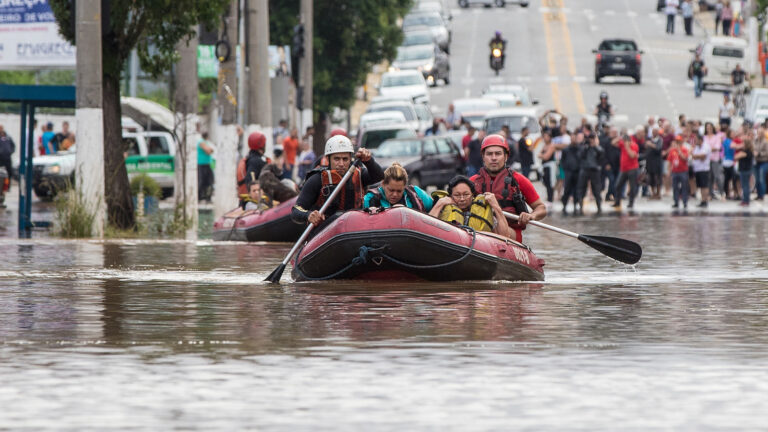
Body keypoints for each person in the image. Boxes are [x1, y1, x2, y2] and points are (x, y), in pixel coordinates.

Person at [292, 135, 384, 230]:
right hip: (326, 230)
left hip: (353, 228)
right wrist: (308, 215)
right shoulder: (317, 179)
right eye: (336, 159)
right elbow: (296, 210)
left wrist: (369, 161)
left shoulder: (359, 175)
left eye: (345, 159)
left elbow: (379, 176)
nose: (341, 164)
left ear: (350, 159)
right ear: (328, 159)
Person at [470, 134, 547, 242]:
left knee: (494, 227)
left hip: (510, 233)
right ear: (483, 156)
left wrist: (531, 216)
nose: (493, 158)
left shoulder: (518, 180)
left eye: (498, 154)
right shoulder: (472, 182)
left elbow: (541, 208)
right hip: (478, 232)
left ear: (506, 156)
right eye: (489, 154)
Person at [430, 175, 511, 237]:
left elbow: (506, 236)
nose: (462, 199)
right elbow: (428, 229)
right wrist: (439, 203)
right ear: (450, 196)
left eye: (466, 194)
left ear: (473, 195)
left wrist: (496, 206)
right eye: (457, 195)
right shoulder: (443, 208)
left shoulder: (483, 210)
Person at [363, 162, 433, 212]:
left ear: (405, 186)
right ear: (383, 184)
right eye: (391, 190)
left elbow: (434, 208)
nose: (395, 195)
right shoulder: (370, 199)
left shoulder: (416, 194)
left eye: (399, 191)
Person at [612, 128, 639, 209]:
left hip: (632, 169)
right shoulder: (623, 144)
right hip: (623, 169)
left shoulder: (634, 145)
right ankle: (617, 202)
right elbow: (613, 143)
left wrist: (627, 147)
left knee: (632, 186)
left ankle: (631, 203)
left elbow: (632, 155)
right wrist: (620, 137)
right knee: (618, 185)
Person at [577, 133, 605, 214]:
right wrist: (586, 146)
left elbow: (602, 155)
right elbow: (580, 155)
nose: (591, 140)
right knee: (581, 188)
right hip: (585, 169)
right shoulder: (585, 147)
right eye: (590, 138)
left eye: (593, 138)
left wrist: (595, 146)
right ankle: (580, 205)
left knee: (597, 189)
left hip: (594, 170)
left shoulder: (597, 148)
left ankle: (599, 207)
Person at [237, 131, 269, 196]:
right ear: (261, 145)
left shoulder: (249, 158)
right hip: (254, 200)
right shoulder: (256, 161)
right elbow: (250, 180)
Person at [560, 131, 582, 214]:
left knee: (577, 189)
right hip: (569, 172)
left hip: (577, 172)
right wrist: (566, 168)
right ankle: (564, 205)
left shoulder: (580, 148)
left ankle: (576, 204)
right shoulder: (566, 149)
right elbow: (562, 160)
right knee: (567, 189)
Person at [667, 136, 691, 209]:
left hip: (683, 171)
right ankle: (676, 202)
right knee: (675, 187)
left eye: (679, 141)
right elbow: (669, 161)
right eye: (676, 141)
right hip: (675, 171)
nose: (677, 143)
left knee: (684, 187)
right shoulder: (672, 150)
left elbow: (685, 158)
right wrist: (668, 171)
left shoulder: (684, 149)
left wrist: (679, 151)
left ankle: (685, 202)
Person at [703, 122, 724, 199]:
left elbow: (717, 147)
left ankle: (722, 193)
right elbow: (703, 147)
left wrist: (708, 149)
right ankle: (710, 194)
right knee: (709, 177)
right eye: (707, 128)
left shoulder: (716, 137)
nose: (709, 129)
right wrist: (709, 149)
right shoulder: (704, 137)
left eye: (710, 128)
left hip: (715, 159)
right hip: (707, 159)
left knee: (717, 176)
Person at [732, 133, 753, 206]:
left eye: (743, 143)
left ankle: (746, 200)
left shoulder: (746, 152)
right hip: (745, 170)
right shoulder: (748, 151)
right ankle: (745, 199)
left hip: (745, 170)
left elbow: (735, 157)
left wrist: (739, 152)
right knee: (745, 185)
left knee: (745, 186)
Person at [691, 133, 711, 207]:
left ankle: (705, 200)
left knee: (704, 185)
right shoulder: (697, 147)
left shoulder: (705, 146)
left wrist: (695, 156)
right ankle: (702, 200)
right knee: (700, 186)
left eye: (696, 140)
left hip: (704, 169)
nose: (695, 142)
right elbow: (693, 155)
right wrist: (696, 156)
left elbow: (703, 156)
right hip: (697, 169)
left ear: (700, 140)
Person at [645, 126, 664, 200]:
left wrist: (651, 145)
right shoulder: (649, 139)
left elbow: (658, 148)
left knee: (658, 178)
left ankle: (658, 193)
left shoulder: (659, 140)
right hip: (649, 162)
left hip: (657, 162)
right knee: (651, 179)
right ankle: (653, 193)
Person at [538, 131, 557, 204]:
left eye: (546, 136)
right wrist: (542, 155)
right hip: (544, 166)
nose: (545, 138)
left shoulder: (551, 146)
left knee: (550, 183)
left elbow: (546, 157)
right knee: (545, 182)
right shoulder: (545, 145)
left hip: (550, 167)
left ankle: (550, 199)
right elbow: (539, 154)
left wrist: (542, 156)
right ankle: (549, 198)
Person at [197, 132, 215, 202]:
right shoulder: (201, 142)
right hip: (201, 164)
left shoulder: (205, 142)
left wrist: (210, 150)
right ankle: (200, 196)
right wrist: (210, 149)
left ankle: (207, 197)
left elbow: (211, 150)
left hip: (207, 164)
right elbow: (208, 151)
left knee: (209, 181)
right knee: (201, 181)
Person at [752, 123, 768, 201]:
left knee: (762, 179)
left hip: (764, 162)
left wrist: (759, 153)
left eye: (761, 133)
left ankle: (762, 195)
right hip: (756, 162)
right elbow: (752, 149)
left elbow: (767, 152)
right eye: (759, 133)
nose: (760, 134)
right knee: (757, 179)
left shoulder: (765, 142)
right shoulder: (755, 141)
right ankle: (758, 195)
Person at [0, 125, 14, 206]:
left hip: (7, 159)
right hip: (0, 160)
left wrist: (10, 152)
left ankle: (7, 187)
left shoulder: (8, 137)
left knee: (8, 174)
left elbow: (13, 146)